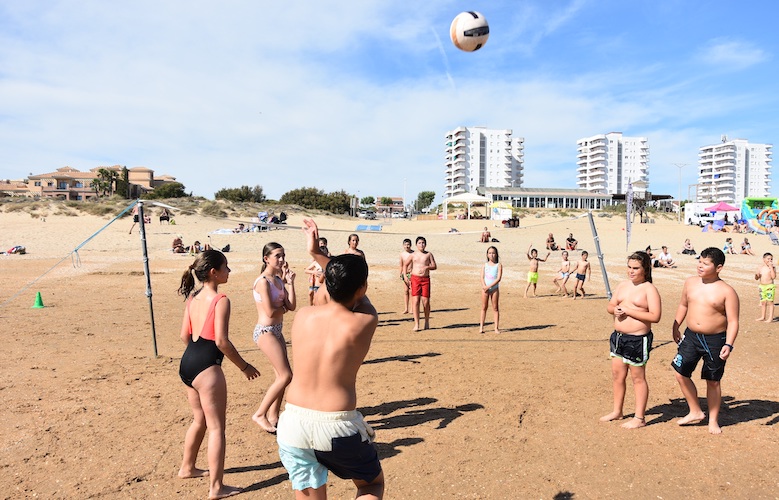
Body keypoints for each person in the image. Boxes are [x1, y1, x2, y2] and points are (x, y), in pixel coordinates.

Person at [276, 218, 384, 499]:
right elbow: (358, 293)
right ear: (362, 288)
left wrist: (316, 253)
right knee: (371, 484)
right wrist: (319, 255)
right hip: (336, 424)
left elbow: (338, 286)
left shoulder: (304, 316)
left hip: (293, 421)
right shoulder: (364, 320)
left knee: (308, 491)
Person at [176, 250, 260, 499]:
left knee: (198, 420)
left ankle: (187, 467)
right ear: (214, 272)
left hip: (188, 363)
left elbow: (184, 335)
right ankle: (216, 487)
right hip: (207, 367)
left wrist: (196, 356)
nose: (229, 271)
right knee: (216, 429)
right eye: (226, 266)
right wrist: (244, 366)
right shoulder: (221, 299)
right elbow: (222, 341)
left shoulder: (193, 297)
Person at [671, 247, 740, 434]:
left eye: (705, 263)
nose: (700, 266)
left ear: (719, 268)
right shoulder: (690, 282)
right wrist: (676, 325)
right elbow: (683, 304)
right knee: (680, 372)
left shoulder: (727, 291)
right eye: (699, 261)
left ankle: (713, 420)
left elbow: (733, 321)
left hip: (716, 340)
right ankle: (695, 411)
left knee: (713, 381)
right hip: (691, 336)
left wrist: (729, 344)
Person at [600, 251, 662, 429]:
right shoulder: (622, 285)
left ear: (645, 269)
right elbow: (611, 306)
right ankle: (617, 411)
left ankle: (639, 417)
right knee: (617, 375)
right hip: (618, 337)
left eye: (635, 268)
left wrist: (628, 311)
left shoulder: (649, 289)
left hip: (637, 339)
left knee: (638, 378)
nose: (631, 271)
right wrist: (615, 310)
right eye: (629, 267)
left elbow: (655, 316)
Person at [251, 242, 297, 434]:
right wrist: (283, 308)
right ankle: (260, 414)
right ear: (266, 258)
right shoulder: (263, 281)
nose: (281, 259)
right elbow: (270, 311)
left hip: (277, 330)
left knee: (282, 376)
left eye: (283, 255)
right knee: (286, 375)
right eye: (277, 255)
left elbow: (292, 306)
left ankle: (273, 416)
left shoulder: (278, 280)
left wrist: (290, 282)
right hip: (265, 331)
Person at [410, 236, 437, 331]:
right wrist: (405, 275)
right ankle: (417, 323)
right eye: (420, 243)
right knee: (416, 300)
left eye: (423, 243)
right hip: (415, 279)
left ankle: (426, 321)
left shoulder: (428, 254)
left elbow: (434, 266)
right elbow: (405, 264)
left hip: (425, 279)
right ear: (416, 245)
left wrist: (427, 267)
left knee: (425, 301)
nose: (422, 245)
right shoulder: (413, 255)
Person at [479, 246, 503, 334]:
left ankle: (496, 328)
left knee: (495, 308)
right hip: (485, 289)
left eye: (493, 253)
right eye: (490, 253)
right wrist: (484, 286)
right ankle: (481, 327)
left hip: (494, 289)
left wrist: (490, 286)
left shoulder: (498, 265)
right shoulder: (484, 265)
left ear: (496, 254)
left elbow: (498, 278)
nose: (491, 255)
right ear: (487, 254)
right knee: (484, 307)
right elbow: (482, 277)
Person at [755, 252, 776, 322]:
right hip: (762, 286)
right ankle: (763, 316)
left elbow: (773, 277)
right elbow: (756, 278)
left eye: (771, 259)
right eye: (768, 259)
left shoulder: (772, 267)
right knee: (763, 302)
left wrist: (771, 268)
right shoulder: (760, 267)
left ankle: (770, 318)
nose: (770, 260)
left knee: (770, 302)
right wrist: (757, 275)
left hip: (769, 286)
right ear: (764, 259)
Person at [399, 238, 414, 314]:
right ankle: (406, 308)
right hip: (405, 274)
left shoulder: (413, 254)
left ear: (410, 245)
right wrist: (400, 273)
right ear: (403, 245)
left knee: (411, 291)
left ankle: (412, 308)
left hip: (412, 274)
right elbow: (401, 265)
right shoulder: (402, 254)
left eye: (408, 244)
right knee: (405, 291)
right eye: (405, 245)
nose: (407, 246)